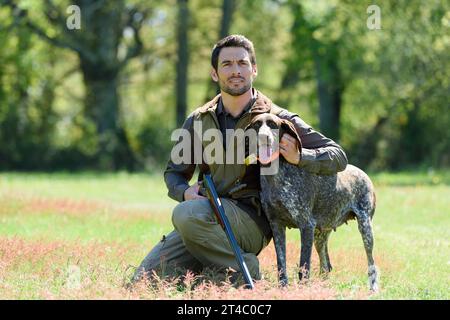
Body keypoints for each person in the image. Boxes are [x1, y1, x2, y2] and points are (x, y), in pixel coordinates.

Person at [131, 34, 347, 285]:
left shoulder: (277, 118)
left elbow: (337, 156)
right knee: (144, 280)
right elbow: (173, 173)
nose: (236, 71)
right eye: (227, 64)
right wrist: (184, 191)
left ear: (254, 70)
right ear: (214, 74)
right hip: (205, 215)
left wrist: (299, 156)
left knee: (185, 214)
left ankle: (246, 269)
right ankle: (225, 274)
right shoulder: (198, 120)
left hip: (251, 220)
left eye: (242, 63)